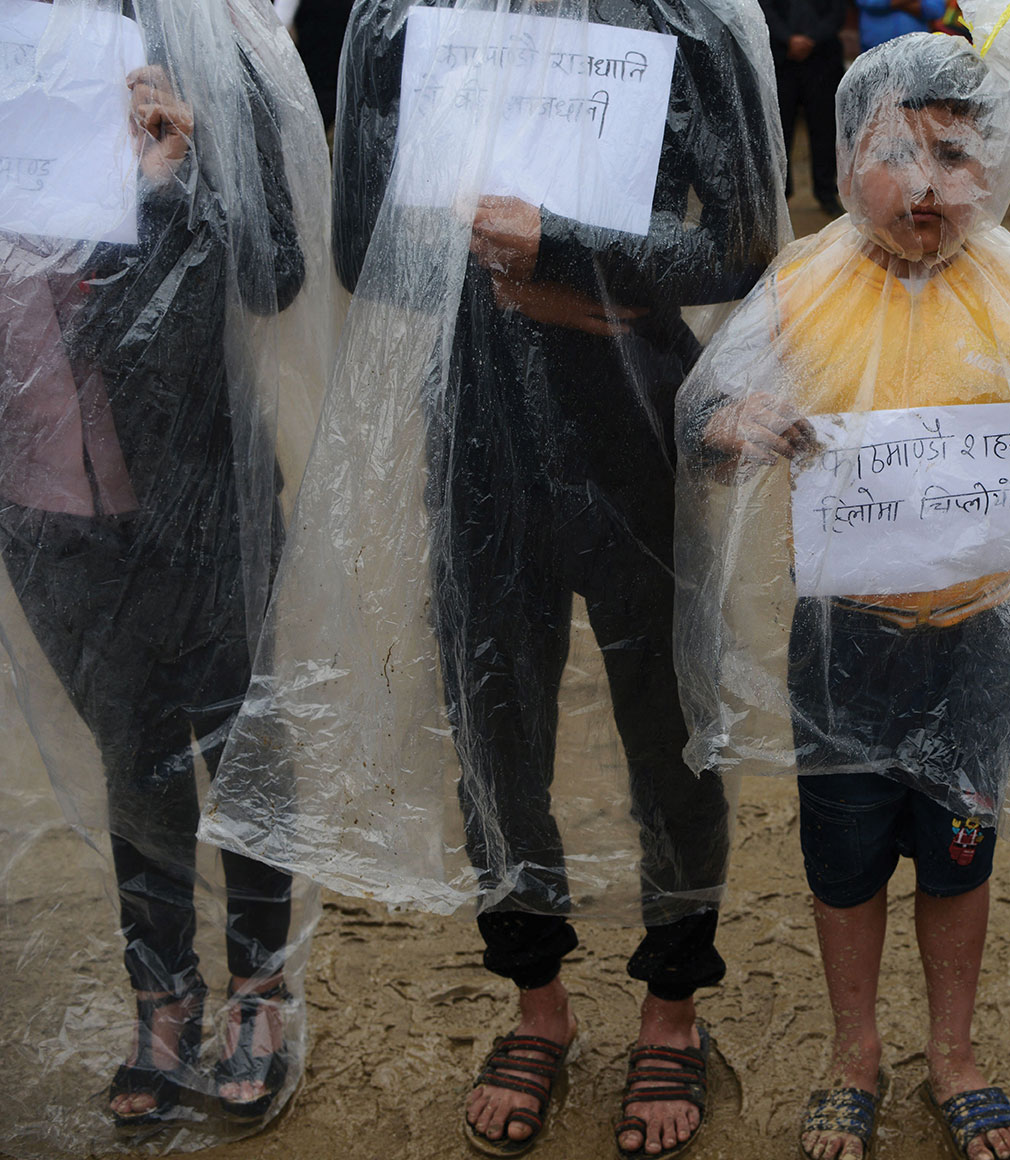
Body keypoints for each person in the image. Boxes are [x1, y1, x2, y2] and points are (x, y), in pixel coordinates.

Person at [212, 0, 787, 1155]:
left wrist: (560, 244)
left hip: (637, 423)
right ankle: (537, 999)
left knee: (669, 728)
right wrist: (481, 239)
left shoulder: (686, 16)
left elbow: (738, 243)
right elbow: (358, 246)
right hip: (473, 426)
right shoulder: (403, 19)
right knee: (494, 729)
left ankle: (672, 1004)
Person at [676, 16, 1010, 1159]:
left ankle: (952, 1052)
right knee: (842, 861)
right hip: (844, 638)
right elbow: (702, 421)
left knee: (959, 852)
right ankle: (854, 1054)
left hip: (976, 636)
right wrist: (737, 422)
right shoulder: (804, 281)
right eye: (896, 153)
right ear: (846, 161)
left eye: (953, 154)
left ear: (995, 165)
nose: (925, 186)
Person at [0, 0, 331, 1139]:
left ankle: (259, 988)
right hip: (43, 496)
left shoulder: (204, 46)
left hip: (197, 482)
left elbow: (276, 271)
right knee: (130, 752)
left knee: (241, 742)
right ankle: (163, 996)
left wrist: (174, 179)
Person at [760, 0, 847, 216]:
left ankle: (826, 192)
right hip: (781, 60)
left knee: (825, 130)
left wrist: (811, 40)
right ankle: (781, 193)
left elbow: (838, 11)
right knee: (779, 131)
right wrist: (788, 39)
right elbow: (765, 8)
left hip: (823, 59)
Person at [857, 0, 944, 50]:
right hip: (875, 50)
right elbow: (867, 2)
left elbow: (936, 10)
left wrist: (893, 3)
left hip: (915, 50)